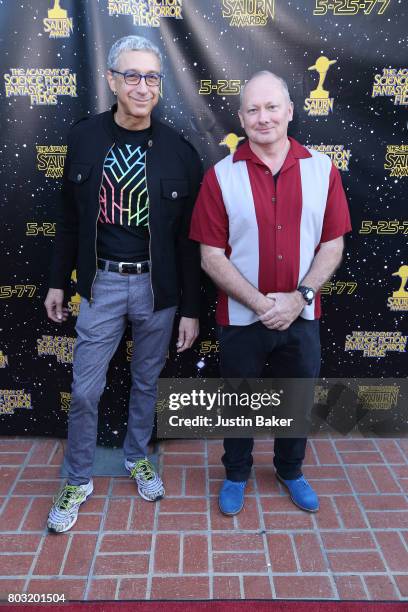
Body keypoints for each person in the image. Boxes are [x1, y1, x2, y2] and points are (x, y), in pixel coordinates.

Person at [44, 35, 202, 532]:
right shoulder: (84, 137)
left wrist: (191, 308)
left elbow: (188, 242)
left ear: (160, 85)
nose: (141, 86)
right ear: (112, 80)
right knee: (85, 390)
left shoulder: (179, 151)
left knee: (146, 382)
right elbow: (68, 220)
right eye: (130, 75)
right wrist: (56, 281)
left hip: (158, 289)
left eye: (151, 77)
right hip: (102, 285)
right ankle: (77, 477)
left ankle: (138, 457)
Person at [190, 71, 351, 516]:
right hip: (243, 319)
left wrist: (297, 299)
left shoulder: (322, 169)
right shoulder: (220, 177)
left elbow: (333, 244)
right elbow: (210, 256)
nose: (264, 118)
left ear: (290, 112)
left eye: (272, 107)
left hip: (302, 314)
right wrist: (264, 305)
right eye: (254, 110)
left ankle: (289, 469)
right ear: (241, 118)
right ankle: (237, 474)